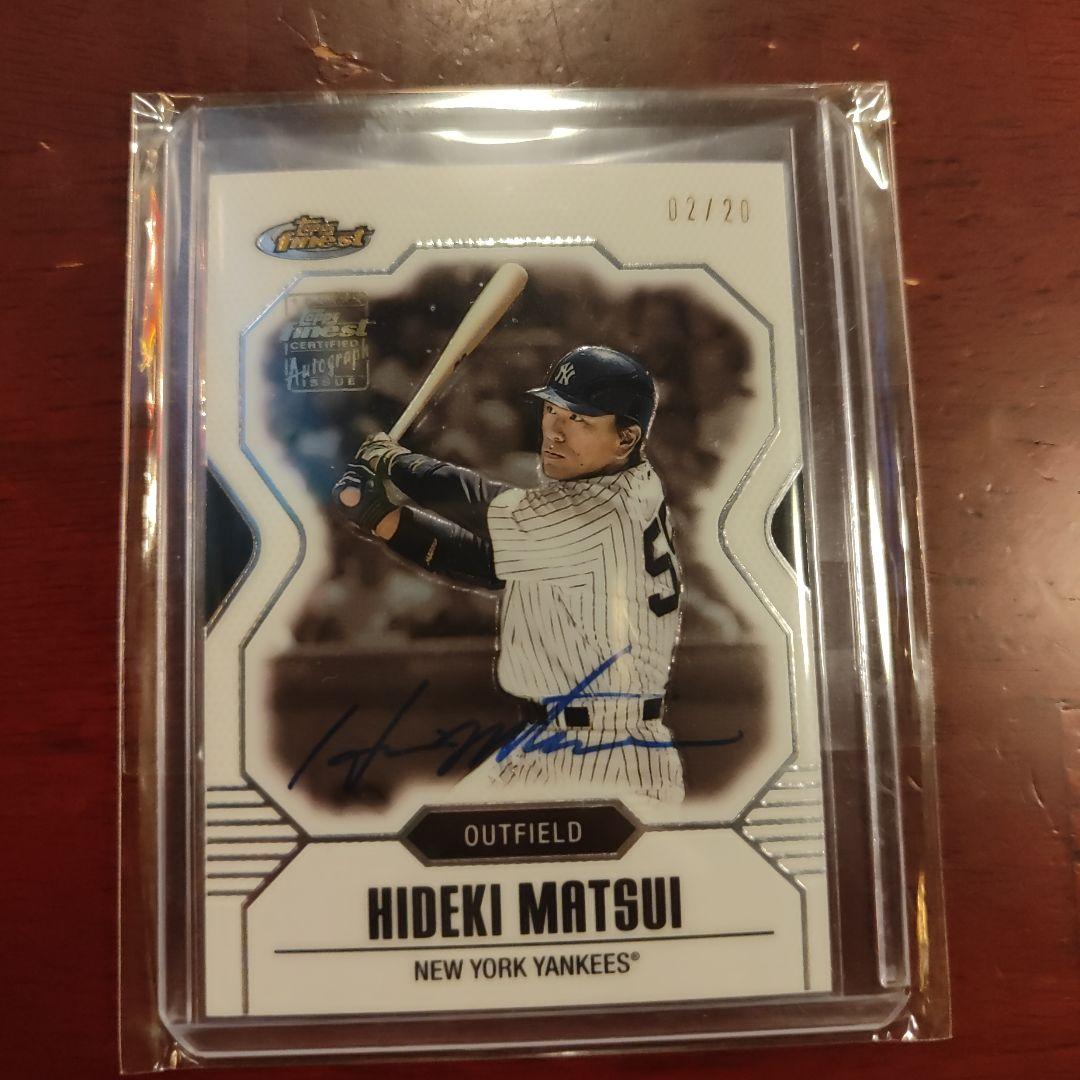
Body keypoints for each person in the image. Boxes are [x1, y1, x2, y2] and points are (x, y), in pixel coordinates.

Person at [332, 346, 685, 803]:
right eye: (552, 410)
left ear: (626, 438)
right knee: (435, 838)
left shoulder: (604, 511)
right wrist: (385, 520)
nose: (555, 430)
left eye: (579, 420)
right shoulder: (620, 487)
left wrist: (393, 462)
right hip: (552, 740)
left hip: (608, 754)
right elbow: (487, 565)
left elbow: (481, 501)